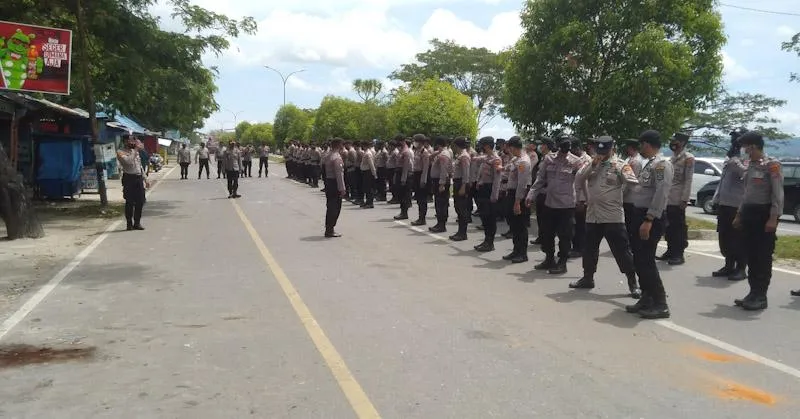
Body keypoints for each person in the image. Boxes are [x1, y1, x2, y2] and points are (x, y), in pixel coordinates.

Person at [570, 136, 641, 298]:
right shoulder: (592, 163)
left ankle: (633, 282)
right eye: (599, 151)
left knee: (622, 252)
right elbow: (579, 178)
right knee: (589, 249)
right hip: (593, 215)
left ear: (612, 149)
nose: (601, 154)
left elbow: (634, 185)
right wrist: (593, 165)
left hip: (612, 217)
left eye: (604, 151)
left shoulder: (621, 165)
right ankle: (588, 278)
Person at [625, 130, 673, 319]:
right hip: (639, 215)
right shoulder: (650, 164)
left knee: (646, 261)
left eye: (641, 144)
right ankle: (647, 297)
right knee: (639, 260)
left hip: (650, 218)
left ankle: (660, 303)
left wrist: (649, 219)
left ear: (647, 144)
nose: (640, 148)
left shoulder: (661, 165)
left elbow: (661, 193)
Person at [733, 132, 783, 311]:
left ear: (753, 146)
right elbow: (746, 194)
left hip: (764, 215)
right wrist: (739, 214)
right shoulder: (750, 165)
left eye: (746, 147)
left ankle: (761, 296)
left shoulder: (772, 165)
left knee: (762, 256)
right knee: (751, 255)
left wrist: (773, 218)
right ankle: (753, 292)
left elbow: (777, 194)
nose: (744, 150)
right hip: (749, 214)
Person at [526, 135, 583, 274]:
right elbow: (540, 179)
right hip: (550, 203)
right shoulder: (548, 159)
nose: (565, 150)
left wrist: (583, 201)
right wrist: (531, 195)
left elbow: (582, 183)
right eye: (562, 146)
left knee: (565, 236)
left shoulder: (576, 162)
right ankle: (549, 259)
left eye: (567, 147)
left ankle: (562, 263)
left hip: (567, 206)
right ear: (557, 145)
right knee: (547, 234)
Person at [711, 128, 748, 281]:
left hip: (738, 205)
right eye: (733, 137)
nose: (734, 141)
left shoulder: (747, 155)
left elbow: (746, 174)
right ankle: (728, 265)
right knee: (725, 236)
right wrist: (716, 198)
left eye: (737, 137)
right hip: (725, 203)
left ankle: (740, 268)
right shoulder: (731, 154)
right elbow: (723, 180)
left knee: (738, 238)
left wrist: (736, 162)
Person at [658, 132, 694, 265]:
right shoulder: (672, 158)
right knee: (668, 226)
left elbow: (688, 180)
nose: (673, 143)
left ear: (683, 143)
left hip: (678, 198)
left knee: (678, 227)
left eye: (676, 141)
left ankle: (678, 254)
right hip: (668, 197)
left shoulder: (688, 158)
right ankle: (670, 250)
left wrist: (684, 199)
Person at [503, 137, 532, 263]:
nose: (509, 150)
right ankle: (516, 250)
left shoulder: (524, 162)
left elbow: (522, 184)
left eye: (510, 148)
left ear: (514, 147)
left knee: (521, 225)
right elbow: (507, 169)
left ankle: (522, 253)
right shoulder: (516, 159)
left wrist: (517, 202)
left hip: (519, 195)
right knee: (514, 224)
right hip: (512, 193)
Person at [474, 136, 503, 252]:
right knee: (484, 216)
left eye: (482, 145)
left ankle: (490, 243)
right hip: (483, 188)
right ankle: (486, 240)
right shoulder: (486, 157)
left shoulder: (496, 159)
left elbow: (497, 179)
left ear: (486, 145)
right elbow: (478, 162)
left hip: (490, 189)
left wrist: (494, 195)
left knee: (490, 217)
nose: (481, 147)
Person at [116, 135, 148, 231]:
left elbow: (140, 166)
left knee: (140, 202)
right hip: (129, 179)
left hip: (138, 179)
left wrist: (145, 179)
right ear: (125, 142)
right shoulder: (120, 152)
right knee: (129, 202)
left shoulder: (136, 152)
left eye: (134, 141)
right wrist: (135, 151)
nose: (133, 143)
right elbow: (128, 162)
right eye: (130, 141)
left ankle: (137, 223)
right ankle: (129, 224)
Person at [570, 137, 592, 258]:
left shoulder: (587, 160)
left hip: (582, 198)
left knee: (580, 225)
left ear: (577, 148)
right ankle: (576, 246)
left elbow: (586, 182)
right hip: (573, 196)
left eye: (572, 149)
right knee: (574, 224)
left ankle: (580, 248)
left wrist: (582, 201)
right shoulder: (574, 159)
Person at [429, 136, 453, 233]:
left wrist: (442, 184)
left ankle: (441, 225)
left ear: (438, 144)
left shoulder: (444, 154)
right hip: (439, 180)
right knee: (439, 203)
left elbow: (444, 170)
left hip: (440, 181)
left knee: (441, 204)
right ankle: (439, 223)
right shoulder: (442, 153)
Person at [450, 137, 472, 241]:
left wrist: (463, 186)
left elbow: (466, 173)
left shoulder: (464, 156)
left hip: (461, 183)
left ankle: (463, 233)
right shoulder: (460, 155)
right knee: (458, 207)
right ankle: (460, 231)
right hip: (457, 182)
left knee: (462, 208)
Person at [324, 138, 347, 238]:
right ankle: (330, 229)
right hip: (334, 183)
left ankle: (329, 228)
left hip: (329, 182)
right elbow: (339, 174)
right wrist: (342, 188)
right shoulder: (336, 157)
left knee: (330, 206)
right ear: (339, 145)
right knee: (335, 207)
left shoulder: (328, 155)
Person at [622, 138, 643, 243]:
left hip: (631, 196)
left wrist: (621, 194)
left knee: (630, 222)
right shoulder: (629, 159)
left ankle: (630, 242)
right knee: (627, 221)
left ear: (631, 148)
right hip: (627, 196)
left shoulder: (636, 161)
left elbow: (629, 180)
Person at [411, 135, 432, 226]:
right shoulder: (416, 151)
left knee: (422, 199)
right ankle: (420, 217)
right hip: (416, 175)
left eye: (416, 141)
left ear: (421, 142)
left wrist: (423, 180)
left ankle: (422, 218)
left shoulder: (424, 152)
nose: (415, 143)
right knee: (418, 198)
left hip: (422, 176)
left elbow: (425, 168)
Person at [394, 138, 414, 220]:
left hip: (404, 174)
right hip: (399, 172)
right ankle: (402, 211)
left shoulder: (406, 152)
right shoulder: (401, 151)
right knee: (401, 194)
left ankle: (404, 212)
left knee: (404, 194)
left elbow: (406, 166)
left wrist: (403, 178)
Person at [360, 141, 377, 209]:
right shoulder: (366, 153)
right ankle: (367, 202)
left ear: (365, 146)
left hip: (368, 172)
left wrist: (374, 174)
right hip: (365, 172)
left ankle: (370, 203)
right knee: (366, 188)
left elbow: (371, 164)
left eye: (362, 145)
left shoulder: (368, 153)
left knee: (369, 188)